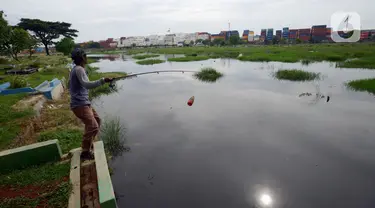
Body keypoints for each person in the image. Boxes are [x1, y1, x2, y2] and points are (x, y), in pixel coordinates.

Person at [69, 48, 113, 160]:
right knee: (93, 126)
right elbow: (86, 84)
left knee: (97, 121)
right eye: (85, 56)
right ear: (82, 57)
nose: (86, 58)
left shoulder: (77, 69)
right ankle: (85, 152)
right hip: (80, 104)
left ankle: (89, 144)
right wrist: (102, 80)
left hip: (84, 103)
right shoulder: (79, 69)